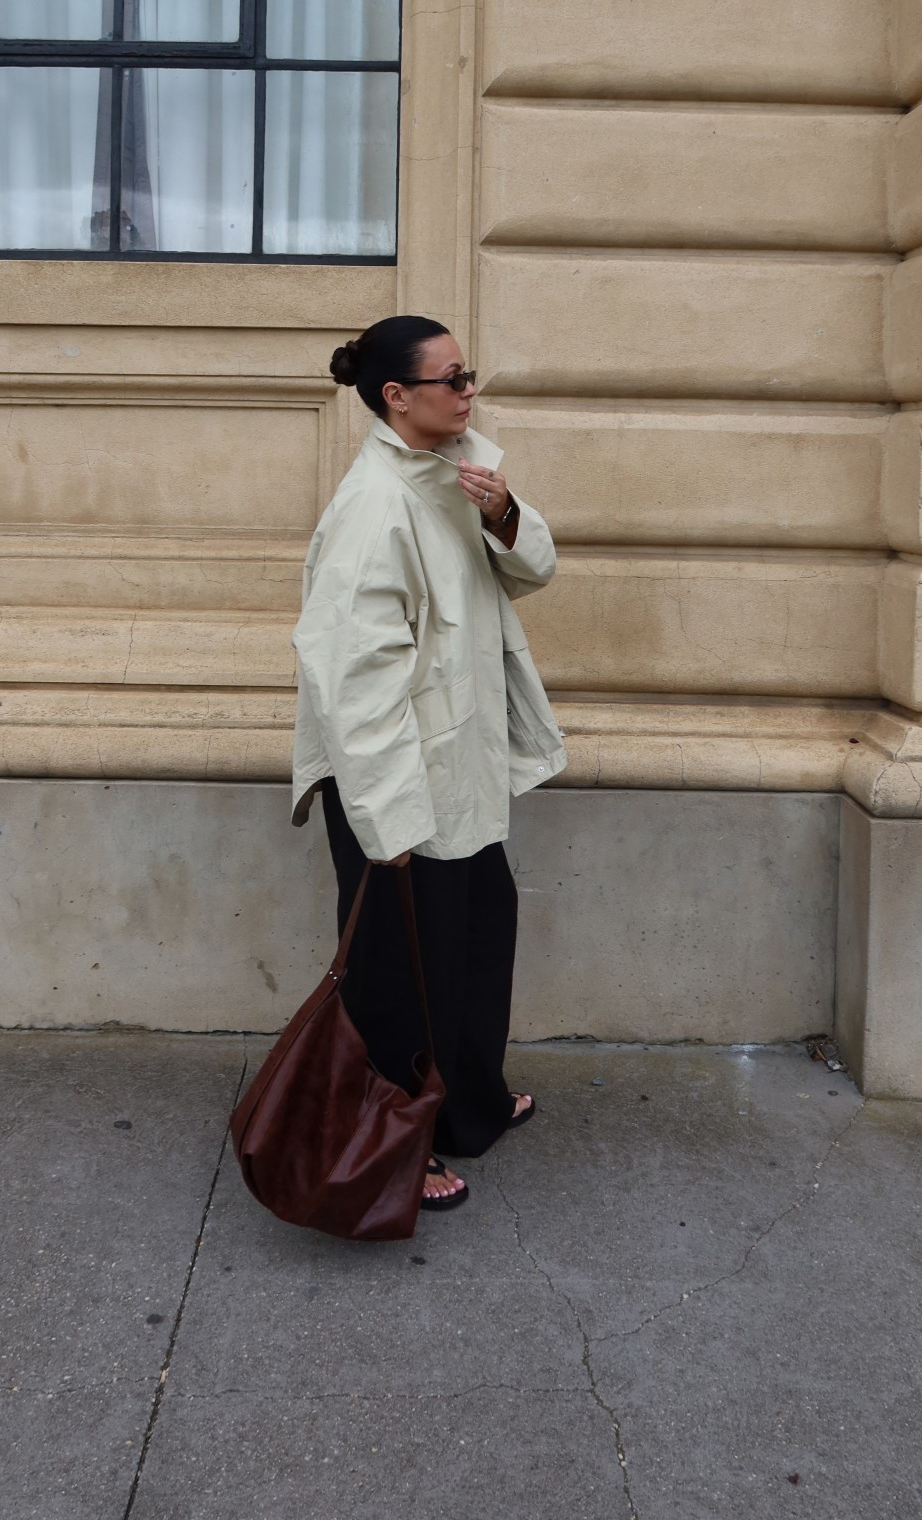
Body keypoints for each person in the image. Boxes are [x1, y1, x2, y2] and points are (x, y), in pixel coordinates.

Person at [290, 315, 567, 1213]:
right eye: (451, 379)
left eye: (468, 373)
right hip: (400, 783)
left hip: (460, 766)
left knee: (477, 938)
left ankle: (468, 1105)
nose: (468, 390)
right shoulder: (375, 509)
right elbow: (353, 681)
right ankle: (392, 1148)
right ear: (396, 396)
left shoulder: (455, 476)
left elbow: (531, 573)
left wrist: (503, 513)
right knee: (398, 975)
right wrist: (387, 820)